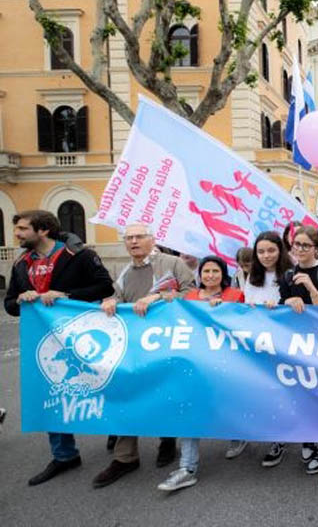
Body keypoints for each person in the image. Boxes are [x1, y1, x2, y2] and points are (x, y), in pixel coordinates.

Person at [3, 210, 115, 486]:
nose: (16, 234)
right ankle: (64, 454)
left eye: (22, 229)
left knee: (103, 386)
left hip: (84, 337)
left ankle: (118, 437)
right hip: (43, 341)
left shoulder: (79, 255)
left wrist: (65, 296)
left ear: (42, 231)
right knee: (52, 392)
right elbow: (9, 305)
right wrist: (21, 298)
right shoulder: (21, 263)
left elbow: (104, 286)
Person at [94, 223, 194, 488]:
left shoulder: (173, 263)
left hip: (168, 343)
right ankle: (125, 457)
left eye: (139, 237)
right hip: (131, 346)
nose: (133, 241)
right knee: (127, 394)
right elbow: (114, 295)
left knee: (165, 392)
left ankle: (167, 439)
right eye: (129, 238)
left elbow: (191, 295)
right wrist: (110, 301)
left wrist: (159, 297)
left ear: (153, 239)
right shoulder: (121, 269)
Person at [158, 255, 244, 492]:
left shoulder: (234, 295)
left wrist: (226, 310)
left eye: (215, 271)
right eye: (206, 271)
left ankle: (238, 434)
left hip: (227, 363)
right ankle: (188, 468)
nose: (210, 276)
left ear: (223, 274)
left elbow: (246, 323)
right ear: (200, 274)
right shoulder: (190, 297)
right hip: (196, 364)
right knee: (189, 408)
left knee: (227, 404)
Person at [281, 225, 318, 474]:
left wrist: (312, 290)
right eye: (296, 245)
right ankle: (308, 437)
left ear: (316, 248)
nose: (300, 250)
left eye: (305, 245)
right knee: (301, 391)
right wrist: (286, 302)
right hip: (297, 341)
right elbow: (281, 309)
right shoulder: (288, 274)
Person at [240, 231, 294, 466]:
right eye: (261, 251)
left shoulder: (290, 273)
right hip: (261, 341)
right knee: (268, 391)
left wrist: (281, 306)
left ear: (280, 251)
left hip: (286, 341)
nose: (266, 256)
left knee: (289, 391)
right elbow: (247, 304)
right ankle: (277, 438)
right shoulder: (252, 275)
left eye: (271, 250)